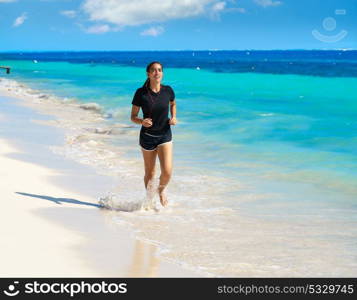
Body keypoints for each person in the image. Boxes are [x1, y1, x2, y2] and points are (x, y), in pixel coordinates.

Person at [130, 61, 177, 207]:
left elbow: (173, 103)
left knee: (167, 172)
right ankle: (149, 200)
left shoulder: (168, 90)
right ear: (148, 74)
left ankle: (161, 190)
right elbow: (133, 116)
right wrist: (141, 121)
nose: (157, 72)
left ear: (162, 73)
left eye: (159, 70)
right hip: (147, 138)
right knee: (150, 174)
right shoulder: (140, 93)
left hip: (164, 135)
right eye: (154, 70)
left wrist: (174, 116)